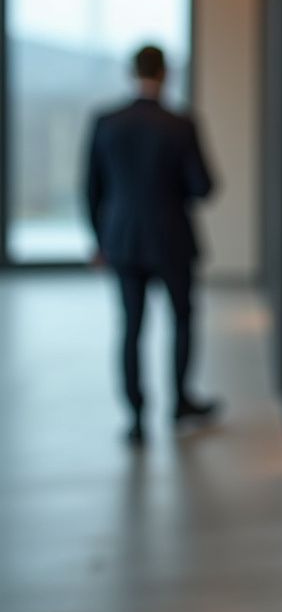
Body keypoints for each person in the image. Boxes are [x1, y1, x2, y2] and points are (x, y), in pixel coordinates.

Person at [85, 45, 220, 444]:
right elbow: (203, 187)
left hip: (123, 240)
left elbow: (92, 189)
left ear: (132, 73)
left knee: (131, 326)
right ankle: (179, 402)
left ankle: (136, 417)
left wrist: (98, 240)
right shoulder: (180, 124)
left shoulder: (106, 122)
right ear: (165, 74)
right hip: (172, 237)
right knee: (181, 320)